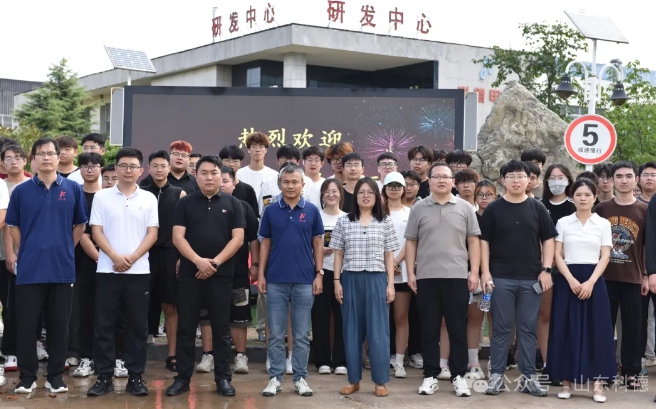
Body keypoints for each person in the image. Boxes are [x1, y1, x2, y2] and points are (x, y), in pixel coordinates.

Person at [6, 137, 88, 394]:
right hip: (30, 269)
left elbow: (80, 224)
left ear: (58, 156)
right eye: (40, 153)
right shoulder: (21, 191)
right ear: (33, 159)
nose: (46, 157)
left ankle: (55, 376)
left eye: (50, 153)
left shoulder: (73, 189)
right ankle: (27, 377)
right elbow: (12, 225)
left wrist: (66, 247)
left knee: (59, 325)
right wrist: (29, 248)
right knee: (27, 325)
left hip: (62, 268)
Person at [165, 156, 246, 397]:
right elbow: (178, 237)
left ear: (221, 176)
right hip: (190, 274)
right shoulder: (185, 203)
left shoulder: (233, 203)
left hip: (221, 275)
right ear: (196, 174)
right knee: (186, 327)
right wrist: (198, 261)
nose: (209, 177)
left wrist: (214, 263)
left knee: (221, 328)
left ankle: (223, 379)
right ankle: (182, 378)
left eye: (214, 173)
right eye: (204, 173)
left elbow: (238, 239)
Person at [481, 160, 557, 397]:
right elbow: (484, 242)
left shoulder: (538, 208)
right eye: (511, 176)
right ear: (502, 180)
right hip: (500, 278)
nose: (516, 180)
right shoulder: (494, 209)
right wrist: (485, 272)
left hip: (531, 279)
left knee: (527, 329)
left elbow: (548, 239)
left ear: (529, 180)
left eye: (521, 176)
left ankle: (528, 378)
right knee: (501, 328)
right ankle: (496, 376)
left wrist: (546, 269)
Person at [87, 147, 159, 397]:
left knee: (137, 326)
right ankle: (103, 376)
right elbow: (96, 232)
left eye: (133, 166)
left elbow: (152, 233)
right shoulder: (102, 196)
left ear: (141, 170)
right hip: (108, 270)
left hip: (139, 272)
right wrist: (115, 257)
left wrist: (132, 258)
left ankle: (135, 377)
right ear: (116, 169)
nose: (128, 170)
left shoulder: (149, 198)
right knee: (104, 325)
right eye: (123, 166)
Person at [406, 163, 480, 397]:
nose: (441, 180)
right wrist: (411, 273)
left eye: (446, 177)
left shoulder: (465, 207)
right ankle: (430, 375)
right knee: (429, 330)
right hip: (426, 277)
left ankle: (458, 376)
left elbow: (473, 241)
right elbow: (411, 241)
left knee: (457, 329)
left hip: (457, 277)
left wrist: (474, 271)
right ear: (429, 181)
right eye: (436, 177)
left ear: (452, 181)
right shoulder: (419, 208)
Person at [258, 165, 324, 398]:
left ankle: (300, 378)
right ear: (280, 184)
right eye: (286, 182)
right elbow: (265, 243)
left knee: (302, 333)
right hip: (276, 279)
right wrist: (261, 274)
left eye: (295, 182)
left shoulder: (312, 210)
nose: (290, 186)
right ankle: (275, 378)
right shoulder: (271, 211)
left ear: (302, 185)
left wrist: (319, 273)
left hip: (305, 280)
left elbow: (318, 243)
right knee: (276, 333)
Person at [547, 178, 615, 403]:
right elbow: (558, 254)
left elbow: (605, 256)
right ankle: (566, 383)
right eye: (578, 195)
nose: (583, 199)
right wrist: (570, 280)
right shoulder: (564, 222)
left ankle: (598, 386)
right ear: (572, 197)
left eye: (587, 195)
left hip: (594, 280)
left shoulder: (603, 224)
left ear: (595, 197)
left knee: (597, 331)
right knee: (567, 328)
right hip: (568, 280)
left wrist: (590, 282)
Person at [332, 177, 399, 398]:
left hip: (377, 279)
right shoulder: (343, 222)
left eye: (370, 192)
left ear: (377, 196)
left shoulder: (385, 222)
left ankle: (380, 380)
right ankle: (354, 380)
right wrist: (337, 281)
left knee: (378, 332)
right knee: (352, 331)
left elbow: (389, 255)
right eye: (361, 192)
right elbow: (338, 254)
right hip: (350, 279)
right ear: (355, 196)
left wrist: (390, 284)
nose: (366, 196)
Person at [596, 160, 648, 389]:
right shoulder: (602, 209)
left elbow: (647, 245)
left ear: (636, 180)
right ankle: (604, 370)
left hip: (633, 277)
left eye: (628, 176)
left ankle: (631, 372)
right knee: (604, 326)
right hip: (605, 277)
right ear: (612, 180)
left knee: (632, 328)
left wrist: (645, 274)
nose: (623, 181)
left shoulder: (644, 210)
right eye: (619, 176)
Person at [142, 150, 186, 372]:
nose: (159, 170)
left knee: (170, 306)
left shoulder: (179, 194)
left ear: (169, 168)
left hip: (170, 255)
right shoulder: (140, 192)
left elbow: (186, 230)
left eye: (163, 166)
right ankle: (134, 354)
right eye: (155, 166)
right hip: (143, 255)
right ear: (148, 168)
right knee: (139, 305)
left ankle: (173, 355)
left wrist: (181, 257)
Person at [219, 166, 260, 375]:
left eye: (225, 180)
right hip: (209, 272)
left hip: (238, 271)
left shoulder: (244, 207)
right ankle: (210, 354)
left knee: (240, 313)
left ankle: (241, 355)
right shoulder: (200, 204)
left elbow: (254, 238)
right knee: (209, 314)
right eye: (217, 178)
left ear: (235, 183)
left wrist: (255, 264)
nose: (220, 184)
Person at [538, 164, 576, 374]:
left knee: (567, 316)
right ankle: (547, 361)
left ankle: (567, 361)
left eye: (561, 177)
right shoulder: (539, 205)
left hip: (571, 269)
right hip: (545, 269)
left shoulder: (575, 206)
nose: (557, 181)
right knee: (545, 315)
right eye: (553, 177)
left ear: (569, 179)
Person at [69, 153, 103, 376]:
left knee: (105, 311)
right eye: (85, 166)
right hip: (77, 260)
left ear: (100, 168)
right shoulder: (73, 194)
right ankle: (82, 355)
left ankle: (106, 357)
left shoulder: (107, 196)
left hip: (108, 261)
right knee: (81, 310)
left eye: (94, 165)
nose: (89, 169)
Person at [311, 179, 347, 376]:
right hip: (320, 271)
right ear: (322, 195)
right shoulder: (316, 216)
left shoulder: (348, 218)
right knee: (320, 316)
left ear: (341, 193)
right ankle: (322, 360)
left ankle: (341, 360)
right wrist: (318, 250)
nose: (331, 195)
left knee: (342, 317)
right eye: (327, 191)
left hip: (343, 273)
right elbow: (307, 243)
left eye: (335, 191)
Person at [381, 172, 411, 379]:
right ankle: (377, 358)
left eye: (397, 186)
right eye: (390, 185)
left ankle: (399, 360)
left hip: (402, 271)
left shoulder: (411, 212)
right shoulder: (376, 211)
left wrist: (396, 261)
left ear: (403, 189)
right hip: (379, 271)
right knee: (378, 318)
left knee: (400, 317)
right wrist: (387, 265)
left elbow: (412, 240)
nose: (394, 189)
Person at [259, 145, 314, 215]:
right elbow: (262, 210)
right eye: (284, 158)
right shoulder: (268, 184)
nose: (287, 162)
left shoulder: (308, 182)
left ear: (298, 162)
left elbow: (313, 207)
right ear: (277, 161)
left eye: (291, 158)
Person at [236, 132, 279, 203]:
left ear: (266, 150)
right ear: (248, 150)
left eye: (261, 146)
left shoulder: (274, 175)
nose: (257, 150)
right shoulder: (238, 174)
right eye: (253, 146)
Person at [219, 145, 258, 214]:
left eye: (235, 161)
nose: (231, 164)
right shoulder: (214, 187)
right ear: (221, 162)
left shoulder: (248, 190)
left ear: (240, 163)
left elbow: (254, 215)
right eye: (227, 160)